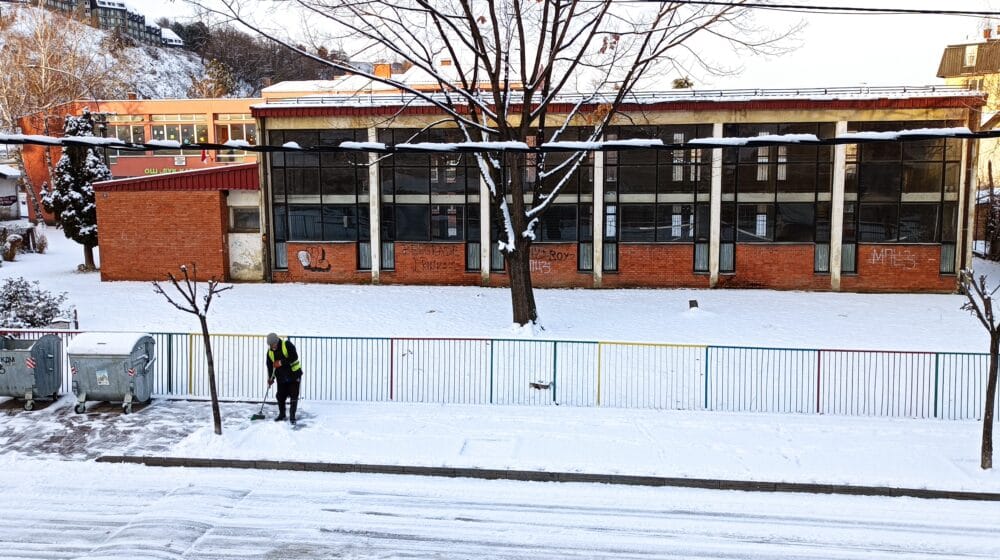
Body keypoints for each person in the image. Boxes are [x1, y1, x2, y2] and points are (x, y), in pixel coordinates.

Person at [266, 332, 303, 424]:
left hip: (294, 375)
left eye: (273, 344)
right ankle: (282, 414)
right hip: (281, 377)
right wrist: (271, 378)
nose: (272, 346)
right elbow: (270, 366)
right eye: (270, 345)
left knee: (294, 395)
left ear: (277, 341)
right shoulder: (269, 352)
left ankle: (292, 416)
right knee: (280, 396)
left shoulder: (287, 345)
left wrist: (280, 362)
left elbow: (294, 356)